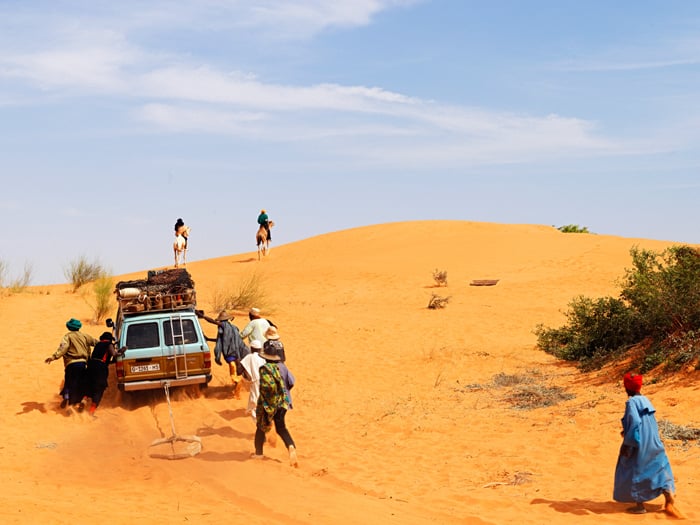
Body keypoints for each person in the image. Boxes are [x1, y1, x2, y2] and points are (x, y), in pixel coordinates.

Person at [613, 372, 682, 517]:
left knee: (634, 469)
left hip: (639, 443)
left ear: (627, 388)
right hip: (654, 441)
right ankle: (668, 497)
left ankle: (640, 506)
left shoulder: (631, 402)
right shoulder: (645, 400)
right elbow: (645, 421)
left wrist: (628, 442)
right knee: (658, 467)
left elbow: (635, 423)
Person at [252, 344, 298, 467]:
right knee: (281, 428)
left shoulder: (264, 368)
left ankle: (258, 453)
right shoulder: (282, 367)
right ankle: (291, 446)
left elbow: (264, 388)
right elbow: (292, 382)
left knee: (261, 427)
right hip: (282, 402)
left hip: (268, 404)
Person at [45, 318, 98, 411]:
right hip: (82, 364)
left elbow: (63, 349)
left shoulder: (68, 337)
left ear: (69, 327)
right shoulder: (85, 336)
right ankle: (81, 401)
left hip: (71, 364)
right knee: (80, 383)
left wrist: (53, 357)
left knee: (69, 382)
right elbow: (96, 343)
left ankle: (68, 400)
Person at [197, 310, 250, 397]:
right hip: (238, 352)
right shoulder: (232, 328)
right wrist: (209, 339)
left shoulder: (225, 326)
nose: (219, 322)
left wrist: (203, 317)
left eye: (220, 321)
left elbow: (212, 322)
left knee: (233, 371)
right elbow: (222, 341)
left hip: (231, 354)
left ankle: (238, 386)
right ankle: (237, 390)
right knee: (236, 370)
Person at [86, 331, 123, 416]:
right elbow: (114, 354)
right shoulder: (109, 345)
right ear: (110, 339)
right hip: (100, 368)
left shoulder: (98, 344)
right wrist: (121, 352)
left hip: (91, 366)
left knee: (90, 385)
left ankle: (84, 400)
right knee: (99, 389)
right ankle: (91, 412)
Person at [239, 340, 266, 421]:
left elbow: (240, 368)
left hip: (256, 381)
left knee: (255, 401)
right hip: (265, 380)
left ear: (251, 348)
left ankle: (258, 422)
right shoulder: (263, 356)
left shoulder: (249, 357)